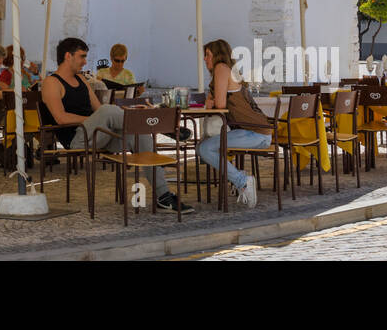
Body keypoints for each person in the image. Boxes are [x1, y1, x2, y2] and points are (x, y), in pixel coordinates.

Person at [40, 37, 192, 213]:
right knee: (107, 110)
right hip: (76, 139)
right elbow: (60, 118)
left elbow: (98, 109)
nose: (84, 61)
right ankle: (162, 127)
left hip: (98, 134)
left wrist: (111, 115)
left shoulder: (81, 80)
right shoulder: (52, 83)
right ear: (68, 56)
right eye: (82, 56)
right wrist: (93, 119)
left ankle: (163, 196)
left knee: (139, 135)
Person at [195, 38, 268, 209]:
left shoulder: (221, 68)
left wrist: (212, 101)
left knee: (205, 148)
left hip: (255, 133)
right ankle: (240, 180)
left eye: (207, 55)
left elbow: (218, 104)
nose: (205, 59)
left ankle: (243, 181)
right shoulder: (227, 70)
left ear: (217, 55)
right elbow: (212, 102)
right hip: (256, 132)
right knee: (202, 147)